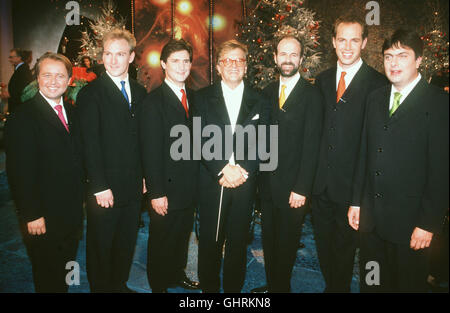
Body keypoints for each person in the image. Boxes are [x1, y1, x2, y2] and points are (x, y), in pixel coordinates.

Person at [348, 29, 449, 292]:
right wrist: (356, 201)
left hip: (411, 225)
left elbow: (441, 170)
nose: (394, 63)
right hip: (371, 220)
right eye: (389, 56)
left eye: (403, 56)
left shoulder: (440, 104)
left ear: (418, 61)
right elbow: (364, 153)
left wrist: (428, 224)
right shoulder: (375, 98)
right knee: (373, 283)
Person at [311, 15, 388, 292]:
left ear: (364, 43)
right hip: (319, 186)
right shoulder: (320, 81)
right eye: (341, 39)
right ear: (333, 42)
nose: (347, 46)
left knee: (344, 253)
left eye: (354, 40)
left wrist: (361, 195)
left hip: (352, 190)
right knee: (322, 247)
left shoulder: (379, 85)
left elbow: (376, 145)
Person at [5, 52, 84, 292]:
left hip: (70, 212)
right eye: (47, 75)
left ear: (69, 80)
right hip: (42, 215)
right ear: (37, 79)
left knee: (65, 268)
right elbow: (19, 172)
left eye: (60, 76)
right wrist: (31, 214)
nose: (53, 81)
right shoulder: (23, 117)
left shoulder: (73, 112)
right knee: (47, 273)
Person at [195, 40, 269, 293]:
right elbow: (197, 137)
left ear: (246, 67)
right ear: (218, 67)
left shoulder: (260, 100)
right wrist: (223, 168)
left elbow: (266, 141)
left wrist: (242, 170)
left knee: (238, 245)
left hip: (244, 183)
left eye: (239, 60)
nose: (234, 65)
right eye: (228, 60)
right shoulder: (202, 98)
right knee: (210, 244)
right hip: (213, 182)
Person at [76, 28, 148, 293]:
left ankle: (119, 285)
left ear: (131, 57)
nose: (113, 60)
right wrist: (98, 185)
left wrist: (144, 177)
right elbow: (89, 145)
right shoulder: (90, 94)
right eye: (108, 54)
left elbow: (141, 141)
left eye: (120, 54)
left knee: (126, 241)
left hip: (132, 185)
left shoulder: (140, 93)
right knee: (101, 245)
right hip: (103, 188)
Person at [251, 35, 323, 293]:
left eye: (294, 54)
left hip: (294, 188)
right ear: (275, 57)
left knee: (287, 243)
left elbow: (312, 145)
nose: (288, 59)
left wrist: (302, 187)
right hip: (268, 184)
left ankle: (281, 289)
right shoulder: (267, 92)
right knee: (268, 240)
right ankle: (272, 286)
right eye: (283, 54)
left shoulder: (312, 95)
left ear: (302, 59)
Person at [139, 39, 199, 293]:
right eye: (175, 61)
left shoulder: (195, 98)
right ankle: (159, 285)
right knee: (162, 239)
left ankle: (177, 273)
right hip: (165, 188)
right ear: (163, 64)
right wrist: (156, 192)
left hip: (190, 186)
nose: (181, 66)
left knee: (182, 234)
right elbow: (150, 152)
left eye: (186, 61)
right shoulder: (153, 102)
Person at [7, 48, 33, 114]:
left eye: (11, 57)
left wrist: (10, 94)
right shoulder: (20, 69)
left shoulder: (23, 70)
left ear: (19, 57)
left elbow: (23, 90)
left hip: (19, 108)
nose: (9, 60)